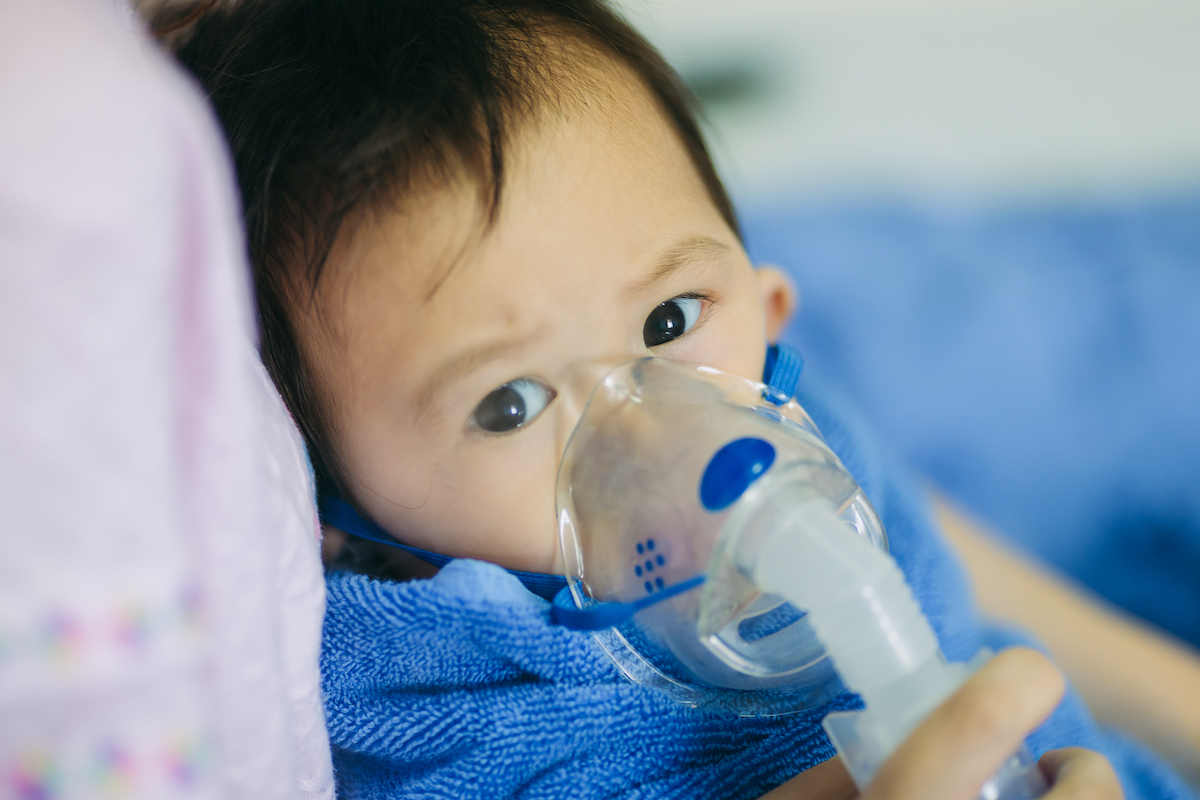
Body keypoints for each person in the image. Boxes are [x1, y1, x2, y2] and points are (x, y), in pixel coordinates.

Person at [146, 1, 1195, 798]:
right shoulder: (439, 702)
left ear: (768, 303)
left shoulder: (780, 405)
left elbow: (961, 574)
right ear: (343, 518)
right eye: (508, 403)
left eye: (665, 322)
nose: (653, 427)